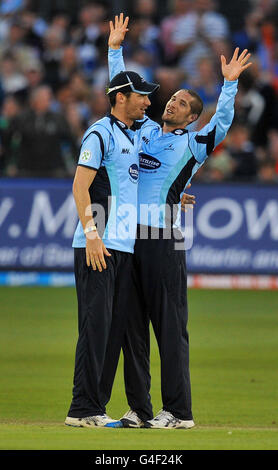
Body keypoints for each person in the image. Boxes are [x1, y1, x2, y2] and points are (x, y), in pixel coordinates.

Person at [107, 14, 252, 429]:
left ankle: (179, 412)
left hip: (163, 239)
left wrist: (229, 84)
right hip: (128, 238)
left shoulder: (194, 143)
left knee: (169, 328)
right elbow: (122, 97)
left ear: (191, 119)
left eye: (184, 104)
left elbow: (222, 123)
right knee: (130, 329)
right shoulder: (144, 130)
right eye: (174, 99)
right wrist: (115, 50)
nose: (174, 103)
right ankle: (139, 409)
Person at [64, 47, 160, 428]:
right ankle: (81, 409)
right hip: (98, 245)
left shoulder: (131, 134)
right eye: (141, 96)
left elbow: (129, 187)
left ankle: (96, 409)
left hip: (123, 247)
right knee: (95, 328)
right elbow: (79, 187)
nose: (148, 102)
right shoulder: (99, 133)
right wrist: (91, 235)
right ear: (121, 97)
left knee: (113, 332)